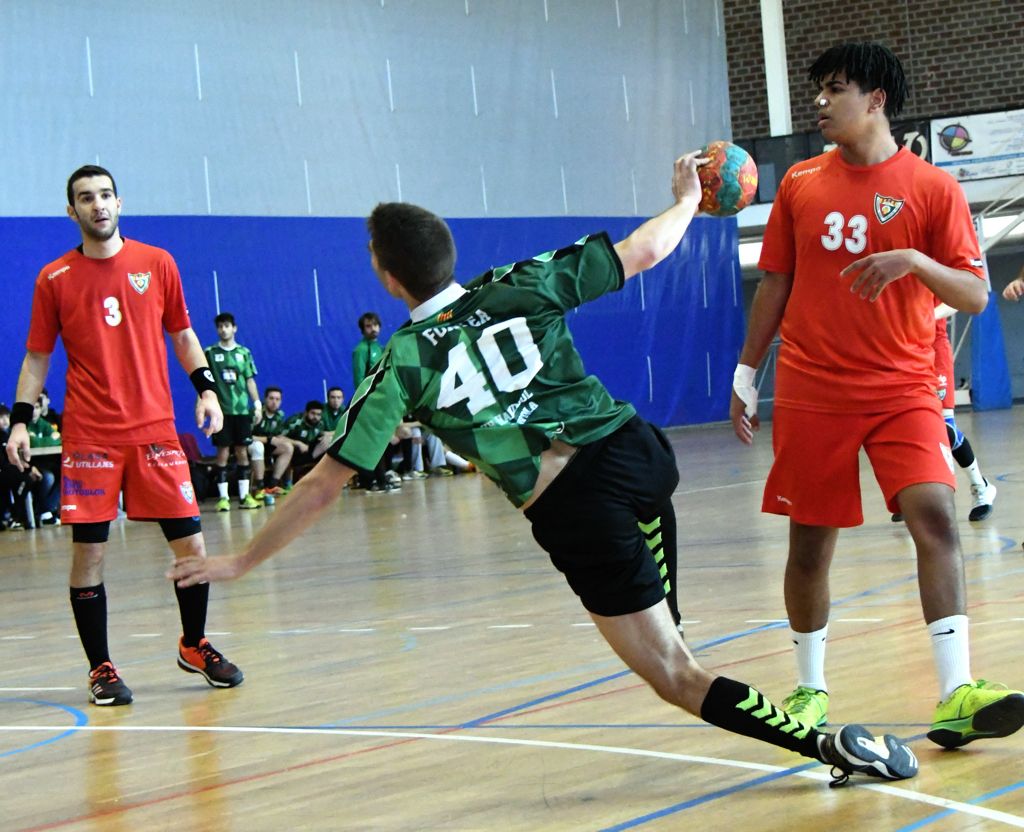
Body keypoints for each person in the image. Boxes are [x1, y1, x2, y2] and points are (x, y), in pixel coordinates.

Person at [169, 155, 918, 786]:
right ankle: (670, 616)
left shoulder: (400, 360)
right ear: (448, 253)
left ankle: (828, 748)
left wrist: (240, 561)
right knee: (658, 596)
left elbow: (323, 481)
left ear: (387, 276)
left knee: (674, 674)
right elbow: (645, 252)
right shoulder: (515, 283)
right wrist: (689, 200)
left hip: (576, 506)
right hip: (638, 453)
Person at [729, 42, 1024, 747]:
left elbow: (977, 295)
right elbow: (775, 282)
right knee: (810, 548)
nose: (821, 104)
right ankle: (809, 692)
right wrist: (746, 373)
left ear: (877, 100)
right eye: (818, 92)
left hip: (902, 387)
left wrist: (915, 260)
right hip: (812, 388)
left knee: (937, 519)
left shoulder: (933, 189)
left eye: (835, 90)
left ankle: (956, 692)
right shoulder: (799, 182)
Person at [7, 164, 243, 706]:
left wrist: (206, 390)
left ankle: (194, 643)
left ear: (120, 202)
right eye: (86, 198)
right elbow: (37, 356)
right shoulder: (54, 278)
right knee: (89, 555)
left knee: (193, 545)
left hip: (155, 431)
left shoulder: (157, 264)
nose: (99, 205)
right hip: (90, 436)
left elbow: (183, 335)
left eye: (106, 195)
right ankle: (101, 667)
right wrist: (20, 420)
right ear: (72, 212)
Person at [892, 305, 996, 522]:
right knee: (905, 426)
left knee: (944, 428)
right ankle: (911, 492)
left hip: (934, 349)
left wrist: (925, 314)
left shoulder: (930, 270)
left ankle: (980, 486)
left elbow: (957, 300)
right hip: (902, 352)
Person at [205, 312, 262, 512]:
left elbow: (249, 380)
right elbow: (204, 383)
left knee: (242, 452)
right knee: (222, 452)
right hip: (221, 412)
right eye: (220, 326)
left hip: (241, 411)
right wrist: (204, 404)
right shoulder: (210, 353)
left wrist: (257, 404)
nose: (223, 329)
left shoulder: (244, 353)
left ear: (234, 328)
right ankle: (223, 498)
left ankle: (245, 496)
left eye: (227, 325)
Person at [351, 312, 397, 492]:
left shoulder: (381, 347)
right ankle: (374, 480)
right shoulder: (361, 350)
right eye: (369, 326)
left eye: (376, 325)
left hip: (382, 401)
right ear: (363, 330)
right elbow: (359, 380)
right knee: (373, 442)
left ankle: (381, 477)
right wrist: (365, 403)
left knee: (383, 441)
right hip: (369, 403)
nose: (374, 329)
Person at [250, 385, 294, 504]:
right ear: (265, 399)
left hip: (267, 445)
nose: (274, 402)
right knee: (258, 447)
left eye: (277, 399)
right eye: (271, 398)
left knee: (288, 447)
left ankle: (272, 485)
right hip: (250, 446)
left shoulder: (279, 415)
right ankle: (259, 488)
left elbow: (278, 436)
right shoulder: (255, 414)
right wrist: (269, 440)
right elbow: (246, 437)